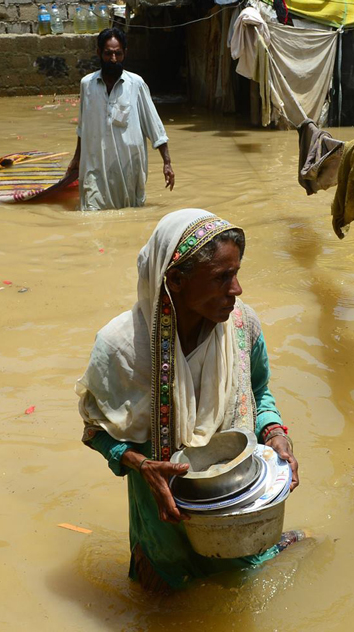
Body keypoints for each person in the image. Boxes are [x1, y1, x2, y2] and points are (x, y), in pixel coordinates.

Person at [76, 209, 301, 593]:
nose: (237, 290)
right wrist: (143, 464)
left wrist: (275, 432)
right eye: (221, 278)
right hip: (162, 520)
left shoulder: (242, 326)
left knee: (243, 591)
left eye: (236, 273)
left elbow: (260, 391)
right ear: (175, 280)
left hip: (233, 504)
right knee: (166, 611)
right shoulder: (122, 348)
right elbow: (95, 432)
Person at [67, 27, 175, 211]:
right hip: (95, 165)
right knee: (92, 214)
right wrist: (77, 159)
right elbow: (83, 126)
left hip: (128, 168)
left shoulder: (136, 84)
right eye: (108, 54)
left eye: (118, 53)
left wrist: (167, 162)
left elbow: (154, 125)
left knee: (129, 212)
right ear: (99, 53)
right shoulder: (87, 84)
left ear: (125, 53)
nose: (113, 59)